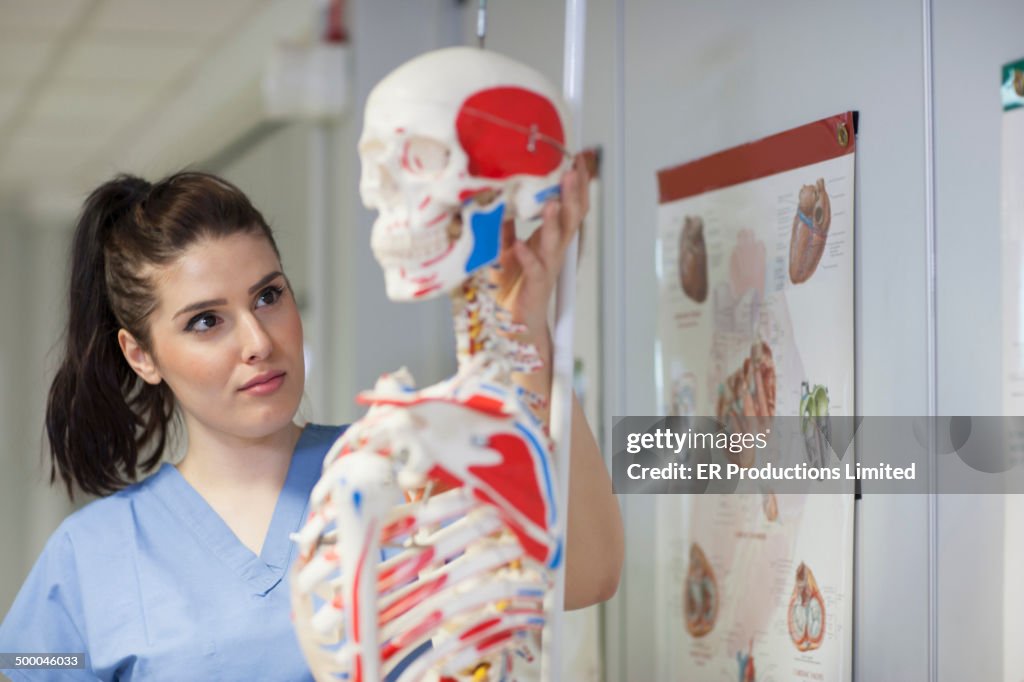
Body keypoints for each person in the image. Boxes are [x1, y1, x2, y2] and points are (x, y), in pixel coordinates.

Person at [0, 162, 623, 679]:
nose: (257, 341)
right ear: (142, 355)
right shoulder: (94, 555)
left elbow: (589, 572)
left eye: (268, 296)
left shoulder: (410, 467)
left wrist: (527, 337)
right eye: (205, 321)